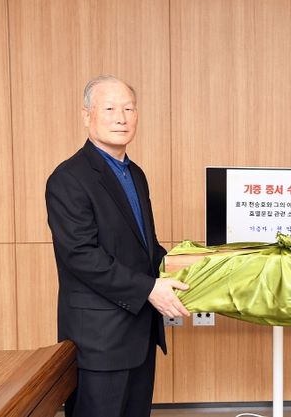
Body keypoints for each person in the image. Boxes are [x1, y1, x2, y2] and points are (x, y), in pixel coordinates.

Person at [46, 75, 190, 417]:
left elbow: (146, 248)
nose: (121, 118)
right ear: (87, 116)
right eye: (110, 109)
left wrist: (192, 268)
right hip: (99, 340)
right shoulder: (68, 178)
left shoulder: (135, 173)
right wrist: (149, 288)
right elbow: (81, 255)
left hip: (139, 333)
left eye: (128, 109)